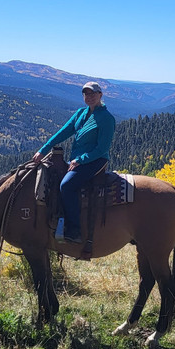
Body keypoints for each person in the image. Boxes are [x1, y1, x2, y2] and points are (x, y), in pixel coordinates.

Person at [32, 81, 116, 243]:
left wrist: (80, 160)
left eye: (93, 93)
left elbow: (102, 148)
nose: (89, 97)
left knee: (67, 185)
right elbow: (62, 133)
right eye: (86, 94)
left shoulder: (106, 118)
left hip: (95, 160)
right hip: (77, 160)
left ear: (100, 95)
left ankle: (74, 230)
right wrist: (43, 150)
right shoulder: (80, 114)